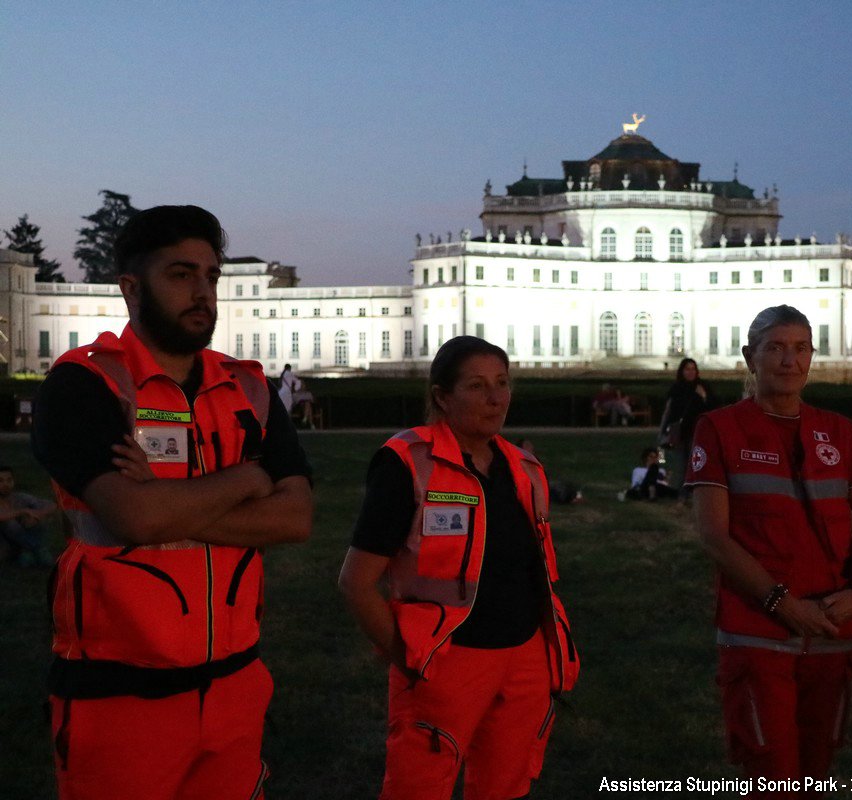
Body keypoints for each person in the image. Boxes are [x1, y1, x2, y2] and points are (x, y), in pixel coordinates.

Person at [31, 205, 313, 800]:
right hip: (119, 695)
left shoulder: (247, 387)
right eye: (181, 274)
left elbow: (296, 518)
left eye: (211, 276)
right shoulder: (86, 384)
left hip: (236, 686)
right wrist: (248, 477)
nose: (202, 292)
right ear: (131, 288)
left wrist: (165, 499)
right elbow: (134, 517)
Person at [338, 335, 579, 800]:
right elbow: (356, 583)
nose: (495, 398)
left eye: (503, 383)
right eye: (477, 385)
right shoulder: (408, 461)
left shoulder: (525, 468)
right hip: (445, 662)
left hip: (524, 660)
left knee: (506, 787)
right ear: (441, 397)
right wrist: (407, 656)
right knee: (420, 787)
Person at [686, 305, 852, 796]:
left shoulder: (838, 431)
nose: (788, 360)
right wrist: (782, 604)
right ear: (749, 357)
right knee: (770, 773)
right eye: (775, 347)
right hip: (758, 629)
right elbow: (715, 535)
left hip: (831, 623)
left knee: (818, 767)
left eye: (801, 348)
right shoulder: (719, 428)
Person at [659, 357, 716, 490]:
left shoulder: (702, 387)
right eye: (687, 369)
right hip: (678, 431)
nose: (690, 372)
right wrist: (663, 431)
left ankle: (689, 491)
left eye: (693, 369)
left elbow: (713, 408)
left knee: (694, 463)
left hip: (696, 431)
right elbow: (670, 412)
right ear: (682, 371)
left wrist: (703, 397)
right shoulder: (676, 388)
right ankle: (680, 491)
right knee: (680, 463)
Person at [0, 465, 57, 567]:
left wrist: (38, 514)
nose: (6, 484)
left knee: (37, 517)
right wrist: (24, 511)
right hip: (5, 543)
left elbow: (51, 505)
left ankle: (28, 551)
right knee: (10, 523)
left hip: (21, 539)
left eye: (9, 480)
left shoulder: (20, 497)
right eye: (1, 481)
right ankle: (37, 548)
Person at [278, 363, 314, 428]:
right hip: (292, 400)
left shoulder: (283, 375)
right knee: (289, 409)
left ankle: (305, 420)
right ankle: (308, 422)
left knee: (307, 405)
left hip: (284, 395)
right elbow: (297, 382)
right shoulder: (289, 375)